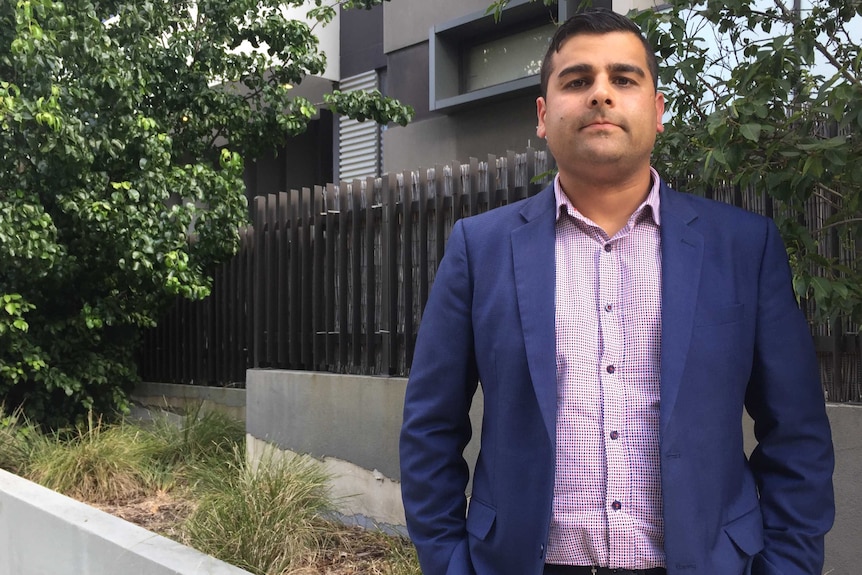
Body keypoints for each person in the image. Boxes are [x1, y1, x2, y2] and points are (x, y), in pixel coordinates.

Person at [399, 8, 835, 575]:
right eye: (577, 81)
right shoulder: (479, 249)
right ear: (543, 113)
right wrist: (450, 564)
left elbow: (796, 433)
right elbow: (431, 429)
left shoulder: (743, 247)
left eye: (624, 79)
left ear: (657, 112)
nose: (600, 95)